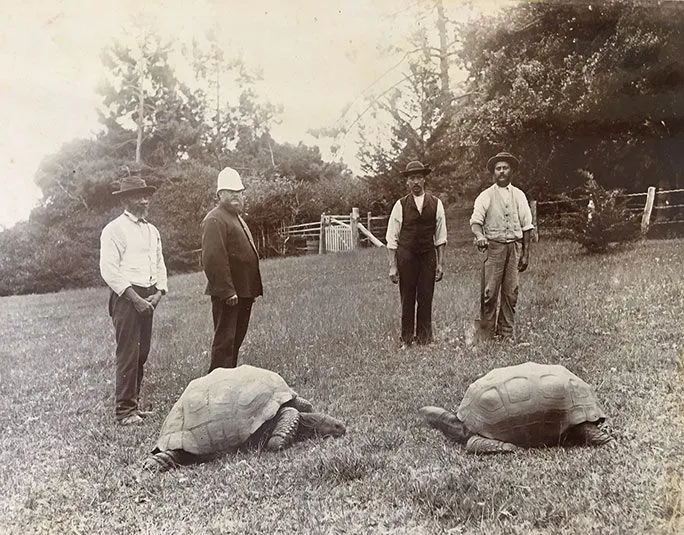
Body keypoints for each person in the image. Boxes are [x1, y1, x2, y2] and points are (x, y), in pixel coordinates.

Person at [100, 176, 168, 426]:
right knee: (128, 353)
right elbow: (109, 270)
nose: (145, 199)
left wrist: (159, 293)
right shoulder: (114, 230)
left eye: (147, 195)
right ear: (126, 200)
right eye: (140, 195)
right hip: (126, 298)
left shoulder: (152, 230)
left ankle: (134, 404)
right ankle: (124, 411)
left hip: (149, 295)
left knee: (142, 353)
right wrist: (134, 298)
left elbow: (159, 263)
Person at [201, 167, 263, 371]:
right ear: (220, 194)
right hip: (230, 294)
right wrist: (227, 291)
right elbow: (212, 259)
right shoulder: (215, 219)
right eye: (231, 192)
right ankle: (216, 387)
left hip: (244, 292)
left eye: (239, 192)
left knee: (235, 342)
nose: (236, 196)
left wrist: (250, 289)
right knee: (224, 344)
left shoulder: (235, 217)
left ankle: (229, 384)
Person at [470, 151, 534, 340]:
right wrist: (480, 236)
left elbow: (527, 226)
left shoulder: (519, 195)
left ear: (511, 171)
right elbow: (475, 222)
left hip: (514, 248)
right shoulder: (486, 196)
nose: (502, 171)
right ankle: (486, 334)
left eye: (505, 168)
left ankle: (506, 334)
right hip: (494, 248)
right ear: (493, 172)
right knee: (489, 293)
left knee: (511, 292)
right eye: (498, 168)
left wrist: (525, 254)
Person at [385, 160, 447, 348]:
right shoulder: (400, 205)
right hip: (407, 256)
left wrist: (440, 263)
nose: (416, 182)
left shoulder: (436, 204)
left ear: (424, 180)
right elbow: (392, 237)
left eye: (419, 177)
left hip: (427, 255)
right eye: (412, 178)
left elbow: (441, 236)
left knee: (426, 297)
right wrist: (393, 265)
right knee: (408, 297)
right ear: (407, 182)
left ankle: (425, 339)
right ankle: (406, 339)